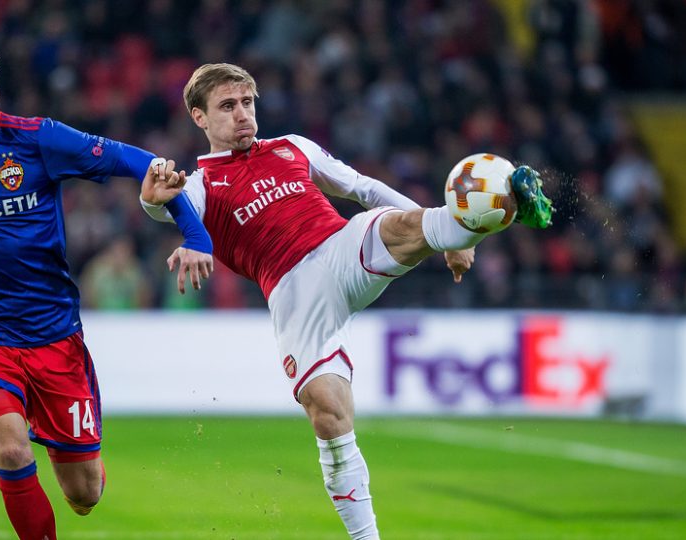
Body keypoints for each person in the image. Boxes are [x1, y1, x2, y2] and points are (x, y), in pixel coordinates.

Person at [140, 63, 552, 540]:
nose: (242, 115)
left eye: (247, 103)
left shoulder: (292, 147)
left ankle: (489, 210)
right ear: (199, 117)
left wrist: (443, 240)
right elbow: (167, 208)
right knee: (329, 415)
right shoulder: (199, 185)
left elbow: (363, 188)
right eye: (227, 106)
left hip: (340, 247)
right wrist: (153, 199)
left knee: (398, 223)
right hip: (295, 293)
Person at [0, 33, 214, 540]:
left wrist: (196, 235)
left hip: (54, 338)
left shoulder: (38, 139)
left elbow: (142, 163)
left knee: (84, 495)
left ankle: (67, 446)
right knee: (10, 448)